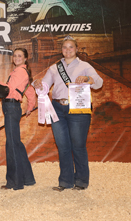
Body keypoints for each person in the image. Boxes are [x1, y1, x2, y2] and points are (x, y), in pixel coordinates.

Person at [33, 36, 103, 192]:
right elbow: (44, 86)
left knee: (78, 146)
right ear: (61, 50)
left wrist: (88, 78)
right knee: (63, 146)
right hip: (57, 108)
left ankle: (81, 181)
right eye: (65, 47)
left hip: (78, 108)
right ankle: (65, 181)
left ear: (77, 49)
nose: (68, 50)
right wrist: (36, 83)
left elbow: (99, 82)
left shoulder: (85, 66)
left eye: (71, 47)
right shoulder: (54, 68)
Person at [1, 48, 36, 190]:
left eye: (19, 56)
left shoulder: (20, 72)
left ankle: (15, 182)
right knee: (16, 144)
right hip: (13, 108)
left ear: (25, 58)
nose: (16, 58)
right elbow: (30, 91)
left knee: (12, 145)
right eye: (15, 55)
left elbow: (9, 89)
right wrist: (30, 106)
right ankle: (27, 178)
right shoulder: (22, 72)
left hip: (11, 107)